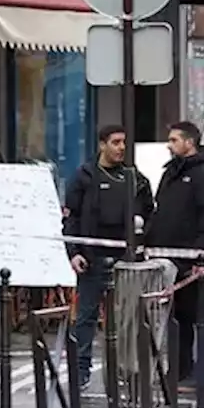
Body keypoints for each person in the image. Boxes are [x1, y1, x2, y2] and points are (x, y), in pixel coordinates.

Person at [63, 124, 154, 391]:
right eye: (115, 142)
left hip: (125, 260)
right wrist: (75, 252)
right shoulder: (84, 176)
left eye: (124, 142)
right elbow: (71, 218)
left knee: (128, 319)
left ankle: (128, 372)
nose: (121, 148)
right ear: (102, 145)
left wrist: (142, 241)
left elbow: (149, 210)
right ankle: (80, 371)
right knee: (86, 318)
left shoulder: (133, 177)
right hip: (92, 258)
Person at [144, 121, 204, 386]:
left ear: (190, 142)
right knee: (176, 317)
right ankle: (180, 370)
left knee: (198, 315)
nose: (169, 145)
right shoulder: (171, 173)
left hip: (193, 258)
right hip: (167, 256)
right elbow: (161, 210)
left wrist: (201, 254)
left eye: (174, 140)